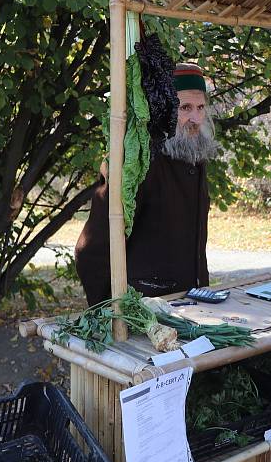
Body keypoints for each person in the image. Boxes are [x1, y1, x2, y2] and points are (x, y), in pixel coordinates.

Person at [75, 62, 220, 305]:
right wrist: (108, 310)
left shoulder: (193, 154)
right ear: (165, 107)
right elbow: (93, 248)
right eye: (185, 107)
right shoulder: (138, 160)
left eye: (200, 107)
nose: (195, 118)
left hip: (191, 306)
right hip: (143, 309)